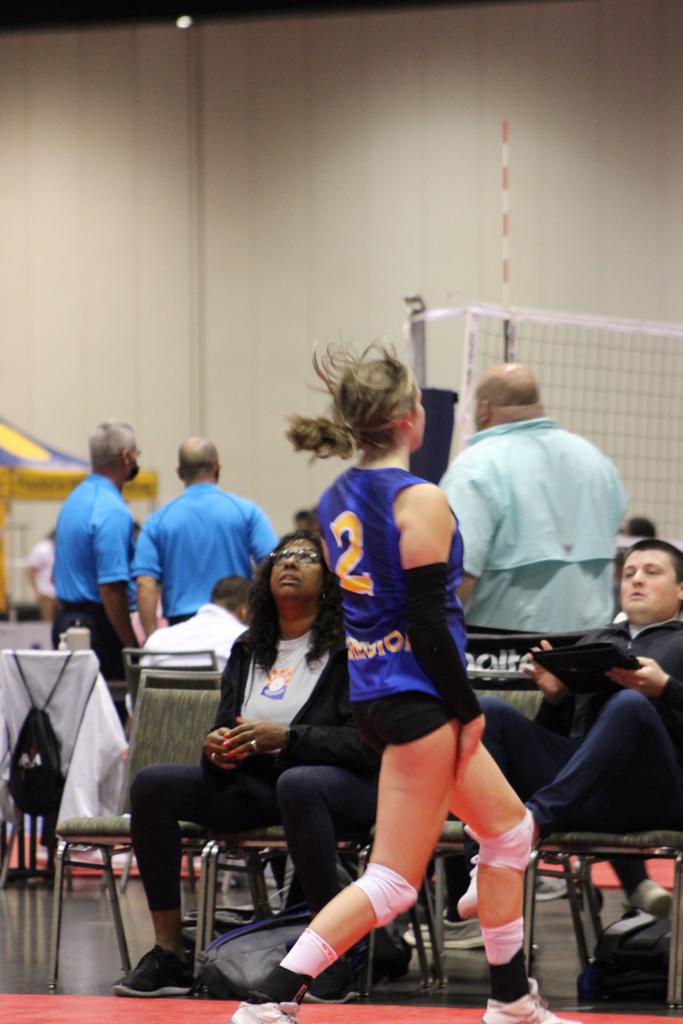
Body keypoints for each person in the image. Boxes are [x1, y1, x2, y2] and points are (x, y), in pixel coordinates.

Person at [228, 346, 578, 1024]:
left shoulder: (334, 497)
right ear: (410, 420)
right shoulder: (420, 500)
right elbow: (425, 621)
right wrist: (466, 709)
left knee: (509, 833)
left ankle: (510, 999)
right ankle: (271, 997)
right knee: (391, 881)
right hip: (419, 699)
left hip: (375, 693)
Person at [113, 530, 378, 999]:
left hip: (337, 789)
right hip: (261, 786)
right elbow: (224, 728)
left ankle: (331, 956)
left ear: (329, 580)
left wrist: (288, 738)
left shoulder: (349, 649)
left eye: (305, 557)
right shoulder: (248, 647)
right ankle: (170, 954)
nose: (290, 562)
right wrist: (216, 748)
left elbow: (365, 743)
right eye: (282, 556)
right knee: (152, 784)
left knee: (298, 782)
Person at [461, 539, 683, 921]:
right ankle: (485, 866)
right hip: (582, 792)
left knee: (629, 704)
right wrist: (555, 699)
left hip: (653, 792)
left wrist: (666, 689)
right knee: (490, 713)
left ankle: (529, 823)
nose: (636, 580)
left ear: (681, 589)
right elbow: (558, 739)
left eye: (652, 572)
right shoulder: (595, 641)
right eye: (629, 573)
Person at [439, 363, 626, 631]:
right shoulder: (597, 462)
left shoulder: (475, 467)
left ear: (484, 408)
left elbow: (457, 575)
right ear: (537, 404)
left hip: (503, 649)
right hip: (589, 646)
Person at [132, 437, 277, 638]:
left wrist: (152, 639)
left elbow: (145, 584)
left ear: (179, 472)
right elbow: (272, 564)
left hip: (181, 627)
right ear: (217, 468)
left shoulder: (157, 520)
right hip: (234, 620)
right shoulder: (247, 512)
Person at [52, 421, 139, 679]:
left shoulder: (74, 500)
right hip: (98, 630)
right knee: (109, 702)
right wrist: (131, 647)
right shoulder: (112, 509)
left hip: (66, 621)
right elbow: (111, 588)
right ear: (127, 456)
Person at [142, 575, 250, 672]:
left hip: (162, 688)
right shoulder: (243, 641)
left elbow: (139, 684)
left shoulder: (158, 639)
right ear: (244, 612)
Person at [26, 528, 56, 622]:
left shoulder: (59, 548)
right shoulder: (41, 550)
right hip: (46, 592)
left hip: (58, 593)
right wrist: (36, 591)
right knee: (48, 621)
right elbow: (31, 571)